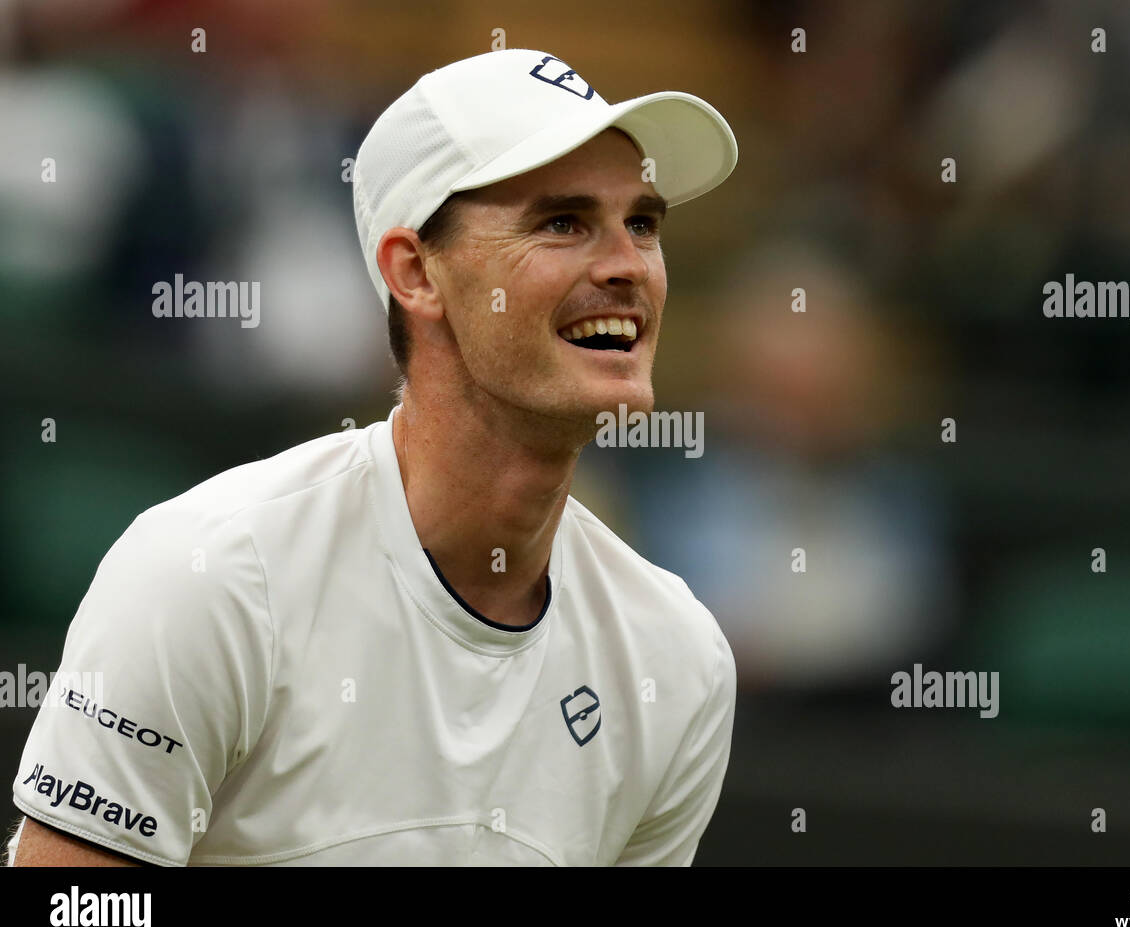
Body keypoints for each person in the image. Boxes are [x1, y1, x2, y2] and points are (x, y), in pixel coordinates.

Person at [7, 48, 738, 866]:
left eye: (642, 223)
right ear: (416, 272)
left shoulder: (679, 661)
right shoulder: (212, 574)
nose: (627, 266)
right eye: (562, 222)